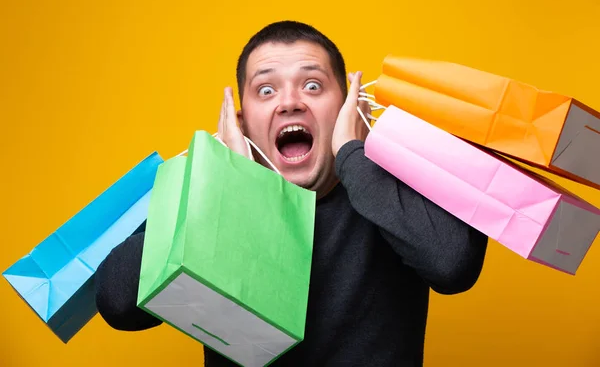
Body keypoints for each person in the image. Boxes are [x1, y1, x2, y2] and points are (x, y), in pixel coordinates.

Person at [95, 20, 488, 366]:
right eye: (265, 90)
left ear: (348, 103)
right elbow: (118, 304)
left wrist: (352, 155)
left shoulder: (389, 184)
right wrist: (232, 187)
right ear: (242, 122)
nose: (289, 103)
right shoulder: (214, 195)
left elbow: (453, 267)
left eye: (313, 85)